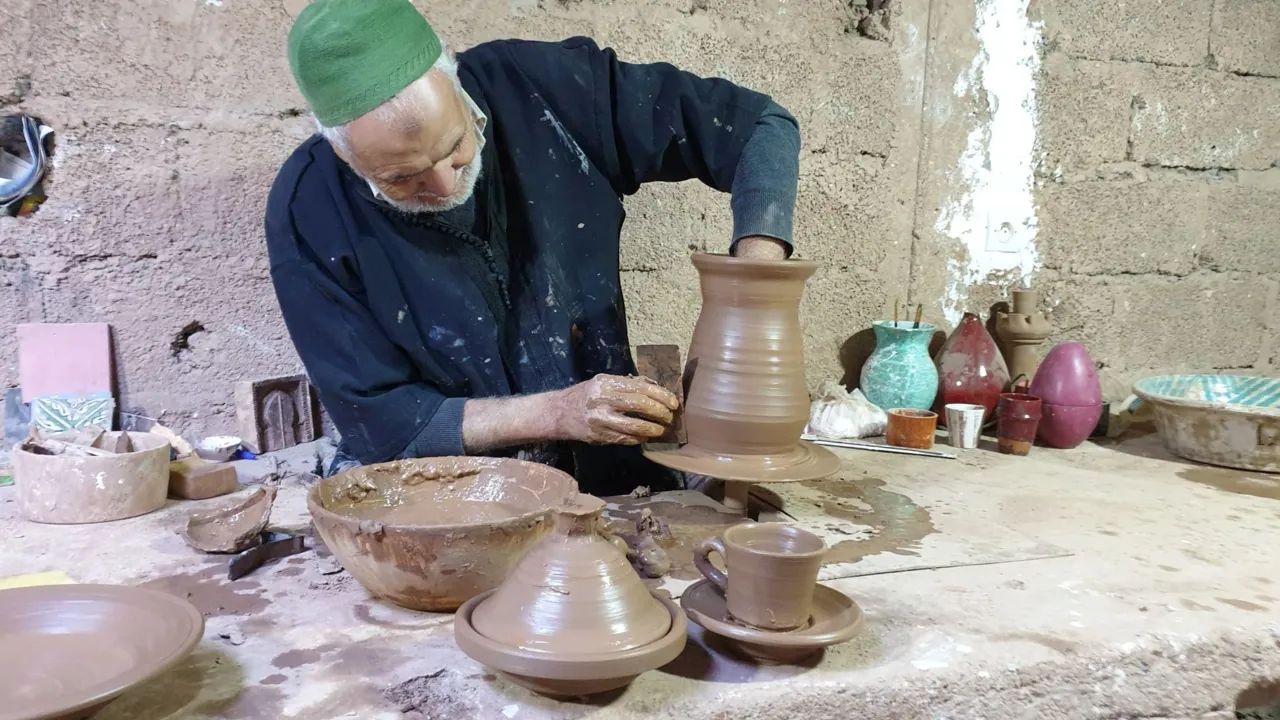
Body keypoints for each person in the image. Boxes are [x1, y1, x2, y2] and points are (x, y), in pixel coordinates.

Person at [265, 0, 801, 495]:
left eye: (455, 146)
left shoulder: (542, 88)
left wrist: (755, 284)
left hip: (609, 465)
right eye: (402, 179)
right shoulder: (309, 209)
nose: (447, 186)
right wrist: (556, 413)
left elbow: (757, 127)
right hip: (450, 488)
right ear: (343, 154)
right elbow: (383, 422)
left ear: (452, 75)